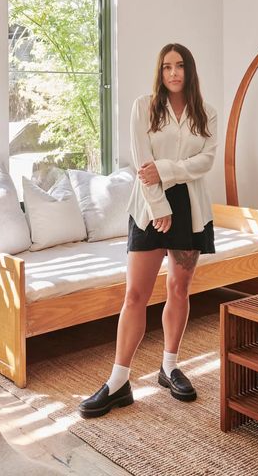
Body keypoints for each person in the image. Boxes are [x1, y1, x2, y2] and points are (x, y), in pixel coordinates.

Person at [78, 43, 217, 418]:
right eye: (167, 67)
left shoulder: (206, 114)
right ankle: (118, 382)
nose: (173, 73)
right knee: (135, 295)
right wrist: (160, 207)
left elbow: (204, 161)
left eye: (180, 66)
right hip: (148, 207)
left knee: (178, 289)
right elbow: (143, 164)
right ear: (160, 71)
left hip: (190, 209)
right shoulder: (144, 106)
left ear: (190, 70)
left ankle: (169, 366)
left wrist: (168, 169)